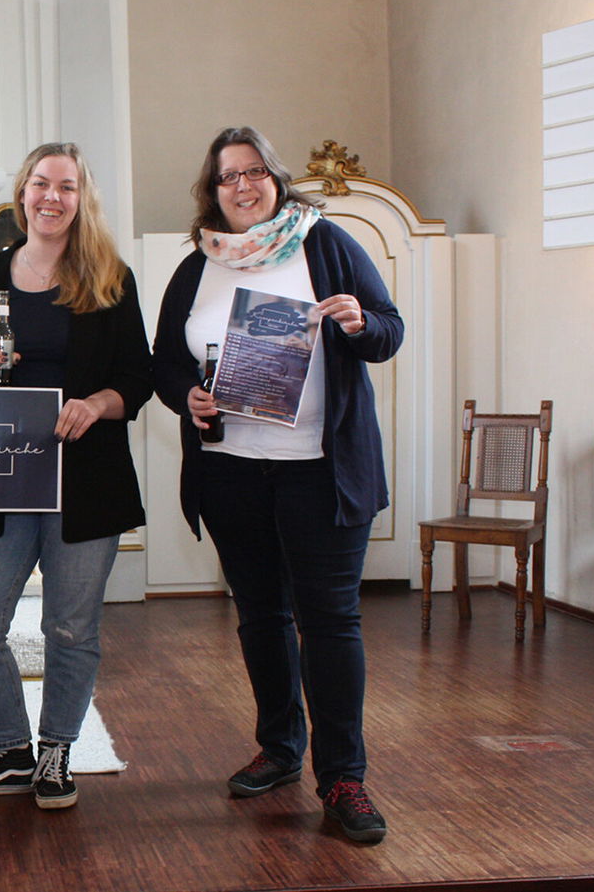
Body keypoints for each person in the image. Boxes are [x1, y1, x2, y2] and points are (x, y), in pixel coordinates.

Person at [152, 126, 403, 844]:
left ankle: (345, 777)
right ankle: (281, 748)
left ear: (276, 180)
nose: (243, 185)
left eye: (256, 171)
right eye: (229, 175)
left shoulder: (325, 244)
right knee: (260, 615)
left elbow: (389, 329)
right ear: (214, 190)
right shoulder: (196, 266)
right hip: (231, 470)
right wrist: (187, 397)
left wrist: (358, 321)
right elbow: (164, 362)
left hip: (320, 472)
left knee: (330, 622)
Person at [0, 142, 152, 810]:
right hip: (4, 480)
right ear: (21, 194)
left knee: (70, 628)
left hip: (88, 480)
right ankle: (9, 751)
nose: (51, 197)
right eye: (40, 184)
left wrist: (95, 404)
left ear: (80, 197)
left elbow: (137, 378)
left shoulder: (110, 278)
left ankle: (57, 751)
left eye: (66, 186)